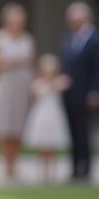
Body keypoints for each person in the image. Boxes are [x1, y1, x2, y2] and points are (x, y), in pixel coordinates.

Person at [0, 3, 36, 181]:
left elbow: (32, 65)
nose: (18, 23)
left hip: (22, 86)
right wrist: (8, 62)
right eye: (15, 20)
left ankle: (16, 165)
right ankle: (7, 167)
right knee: (5, 126)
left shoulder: (28, 39)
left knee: (19, 126)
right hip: (4, 86)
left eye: (21, 20)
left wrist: (34, 86)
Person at [60, 1, 99, 181]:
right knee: (72, 133)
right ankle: (73, 168)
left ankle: (85, 169)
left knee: (84, 132)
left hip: (86, 94)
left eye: (76, 19)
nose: (73, 23)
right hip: (69, 93)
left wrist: (95, 91)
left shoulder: (97, 39)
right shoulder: (69, 38)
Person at [23, 54, 72, 184]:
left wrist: (53, 83)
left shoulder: (59, 82)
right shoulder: (37, 84)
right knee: (42, 145)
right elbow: (33, 98)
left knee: (53, 145)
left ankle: (52, 172)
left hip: (54, 116)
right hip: (41, 116)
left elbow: (68, 83)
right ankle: (42, 172)